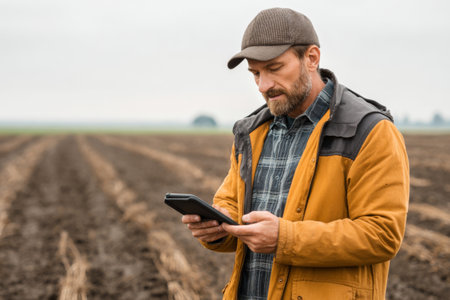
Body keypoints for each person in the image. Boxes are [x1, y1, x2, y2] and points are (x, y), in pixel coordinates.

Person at [182, 7, 409, 300]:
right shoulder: (250, 132)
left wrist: (284, 238)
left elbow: (382, 235)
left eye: (275, 69)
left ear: (311, 58)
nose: (264, 86)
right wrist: (219, 226)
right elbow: (232, 207)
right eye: (255, 73)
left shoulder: (368, 131)